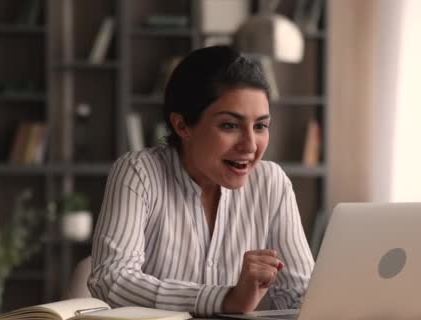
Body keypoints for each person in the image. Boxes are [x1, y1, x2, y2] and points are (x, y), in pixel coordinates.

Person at [88, 45, 314, 317]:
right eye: (230, 125)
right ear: (182, 126)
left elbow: (302, 296)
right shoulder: (139, 172)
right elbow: (111, 279)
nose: (250, 145)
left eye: (260, 126)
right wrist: (225, 298)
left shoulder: (272, 183)